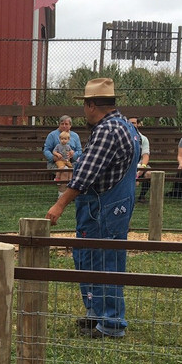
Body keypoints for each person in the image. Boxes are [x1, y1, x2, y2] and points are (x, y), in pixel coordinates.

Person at [45, 78, 141, 340]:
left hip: (102, 206)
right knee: (94, 258)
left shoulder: (106, 130)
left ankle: (110, 322)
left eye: (84, 107)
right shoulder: (125, 127)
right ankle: (97, 313)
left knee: (103, 262)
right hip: (116, 203)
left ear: (90, 105)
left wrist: (60, 203)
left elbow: (85, 175)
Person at [129, 116, 152, 202]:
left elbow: (145, 156)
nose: (131, 125)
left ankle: (142, 196)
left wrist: (142, 168)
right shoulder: (124, 137)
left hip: (140, 165)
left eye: (134, 123)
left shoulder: (144, 139)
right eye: (129, 123)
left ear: (138, 124)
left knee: (149, 173)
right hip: (127, 165)